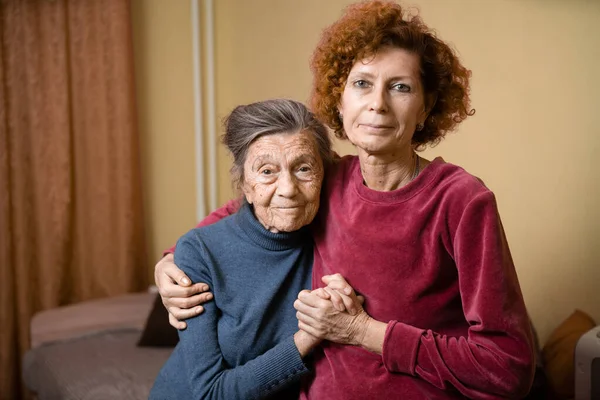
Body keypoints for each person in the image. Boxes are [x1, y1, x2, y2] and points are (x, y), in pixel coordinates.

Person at [155, 1, 535, 398]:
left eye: (400, 87)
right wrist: (170, 262)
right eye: (362, 83)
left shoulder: (461, 201)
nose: (378, 104)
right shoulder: (326, 178)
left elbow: (508, 368)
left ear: (425, 108)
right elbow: (251, 208)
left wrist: (364, 332)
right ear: (339, 100)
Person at [150, 99, 343, 400]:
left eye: (303, 168)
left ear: (324, 174)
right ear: (244, 185)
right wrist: (307, 338)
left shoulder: (339, 238)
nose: (288, 189)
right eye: (267, 171)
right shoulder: (199, 252)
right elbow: (210, 393)